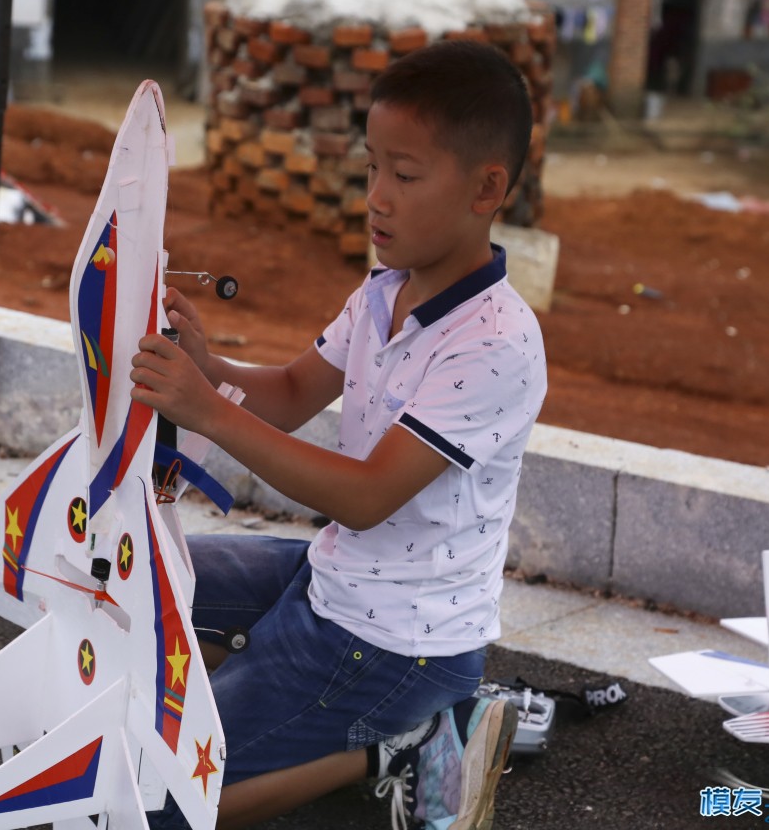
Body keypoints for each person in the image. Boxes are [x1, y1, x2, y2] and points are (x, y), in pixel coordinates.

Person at [130, 40, 547, 830]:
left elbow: (364, 497)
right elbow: (287, 394)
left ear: (487, 187)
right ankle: (289, 708)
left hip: (395, 645)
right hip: (336, 580)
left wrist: (206, 408)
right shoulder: (383, 290)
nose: (377, 198)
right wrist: (206, 364)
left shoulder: (494, 343)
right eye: (372, 169)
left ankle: (403, 747)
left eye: (407, 174)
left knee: (152, 801)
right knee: (137, 585)